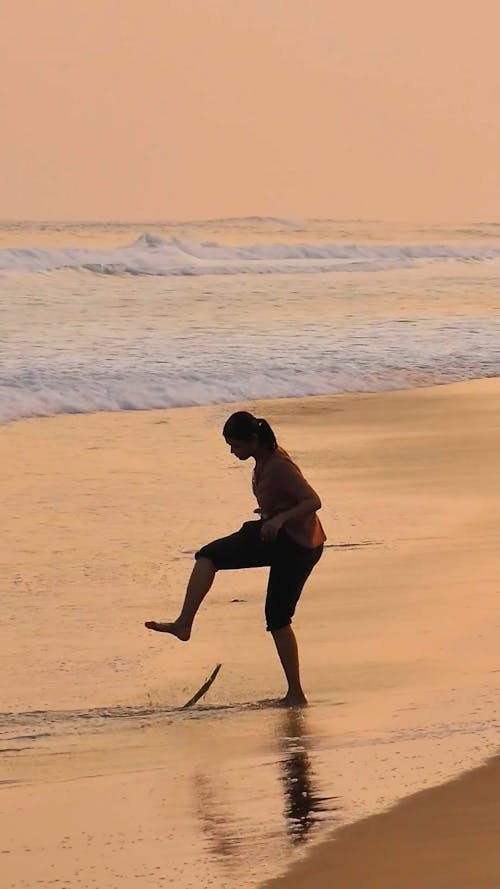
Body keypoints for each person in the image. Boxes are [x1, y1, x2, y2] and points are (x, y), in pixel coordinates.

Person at [145, 411, 326, 706]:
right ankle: (184, 623)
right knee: (209, 557)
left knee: (276, 616)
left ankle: (295, 693)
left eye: (236, 446)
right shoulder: (264, 460)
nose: (233, 452)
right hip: (279, 537)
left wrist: (280, 521)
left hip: (297, 545)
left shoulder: (279, 465)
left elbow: (313, 501)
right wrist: (270, 516)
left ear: (253, 440)